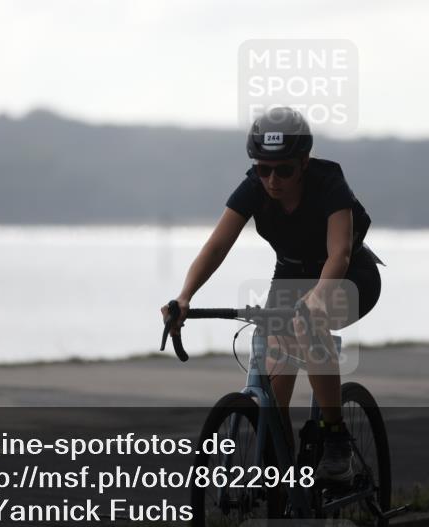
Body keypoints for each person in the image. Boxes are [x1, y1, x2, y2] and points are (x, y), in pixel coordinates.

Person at [160, 106, 382, 482]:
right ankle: (282, 475)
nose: (273, 180)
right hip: (291, 276)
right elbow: (216, 247)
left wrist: (317, 299)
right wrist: (184, 297)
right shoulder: (254, 187)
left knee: (309, 325)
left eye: (284, 170)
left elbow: (339, 254)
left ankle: (335, 438)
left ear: (304, 163)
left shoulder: (329, 183)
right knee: (275, 383)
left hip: (347, 276)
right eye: (263, 169)